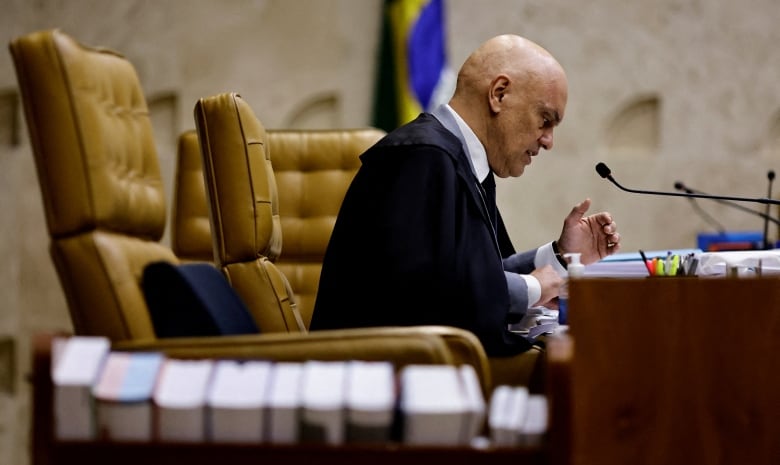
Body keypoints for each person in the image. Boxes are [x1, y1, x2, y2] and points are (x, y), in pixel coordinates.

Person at [310, 34, 621, 357]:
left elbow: (475, 271)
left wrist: (558, 256)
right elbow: (432, 299)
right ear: (499, 94)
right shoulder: (421, 158)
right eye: (545, 120)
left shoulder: (455, 157)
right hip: (372, 378)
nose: (548, 141)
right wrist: (536, 287)